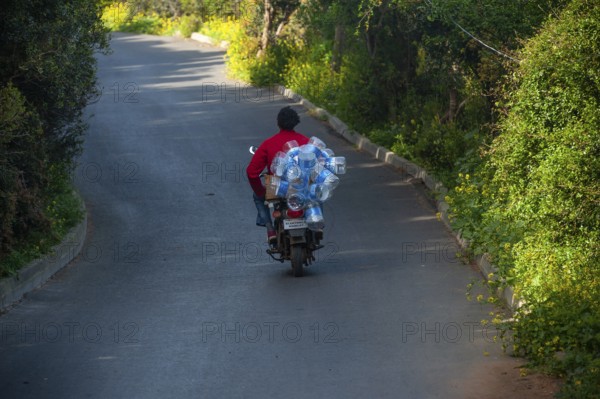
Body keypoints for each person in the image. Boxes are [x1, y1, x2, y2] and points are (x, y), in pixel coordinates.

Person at [247, 106, 309, 244]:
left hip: (277, 187)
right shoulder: (306, 142)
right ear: (296, 122)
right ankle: (317, 225)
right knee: (317, 195)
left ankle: (270, 230)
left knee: (258, 197)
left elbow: (251, 173)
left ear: (278, 122)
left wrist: (261, 191)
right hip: (301, 187)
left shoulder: (268, 144)